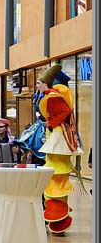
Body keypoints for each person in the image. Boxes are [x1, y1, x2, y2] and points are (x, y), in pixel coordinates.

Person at [37, 64, 84, 234]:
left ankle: (58, 218)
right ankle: (57, 218)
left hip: (58, 138)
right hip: (58, 137)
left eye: (38, 83)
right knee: (56, 176)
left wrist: (51, 122)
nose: (37, 86)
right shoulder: (54, 94)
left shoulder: (55, 95)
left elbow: (64, 112)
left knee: (56, 176)